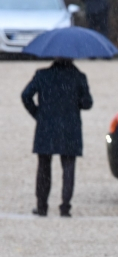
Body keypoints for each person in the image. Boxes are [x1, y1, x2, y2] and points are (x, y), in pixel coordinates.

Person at [21, 59, 93, 217]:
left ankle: (41, 206)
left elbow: (26, 95)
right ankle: (65, 207)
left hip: (46, 127)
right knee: (68, 168)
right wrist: (76, 100)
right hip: (70, 128)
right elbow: (88, 103)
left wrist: (38, 114)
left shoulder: (42, 75)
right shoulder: (79, 77)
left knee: (43, 168)